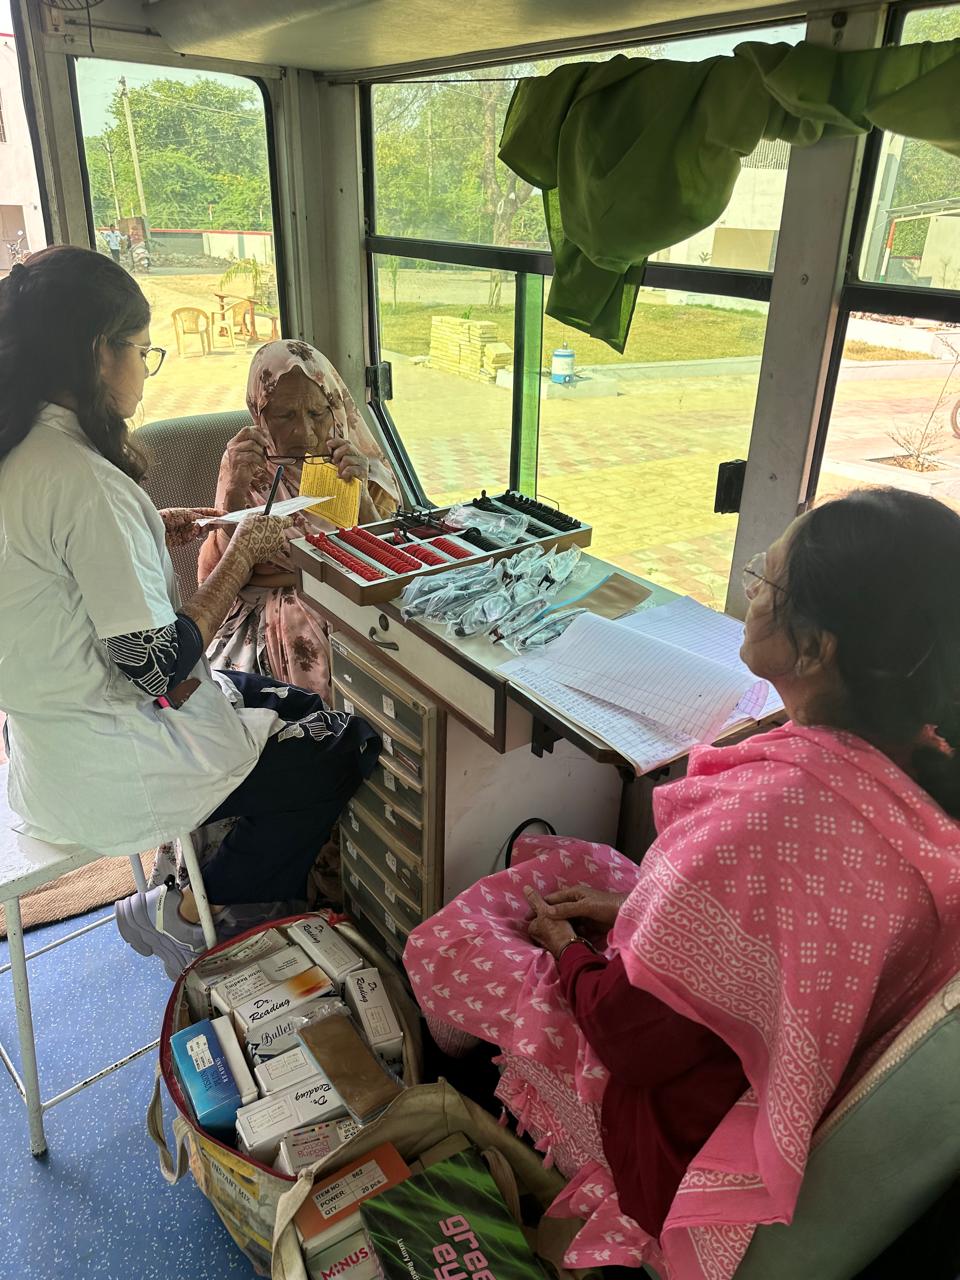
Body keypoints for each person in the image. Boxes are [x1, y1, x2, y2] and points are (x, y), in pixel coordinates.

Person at [403, 488, 960, 1280]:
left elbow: (629, 1036)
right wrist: (632, 910)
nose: (749, 594)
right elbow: (778, 933)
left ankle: (456, 1072)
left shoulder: (774, 822)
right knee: (583, 863)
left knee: (451, 940)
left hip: (676, 1128)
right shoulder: (920, 765)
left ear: (814, 650)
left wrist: (565, 948)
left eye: (764, 582)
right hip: (756, 1056)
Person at [0, 247, 381, 979]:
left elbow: (65, 579)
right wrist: (239, 554)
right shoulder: (85, 482)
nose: (145, 369)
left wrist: (152, 526)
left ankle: (201, 896)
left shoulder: (24, 454)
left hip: (48, 755)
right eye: (143, 350)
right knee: (341, 748)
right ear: (99, 352)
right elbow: (154, 668)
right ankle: (189, 915)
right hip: (114, 761)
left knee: (300, 706)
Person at [200, 340, 401, 700]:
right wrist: (234, 493)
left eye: (317, 413)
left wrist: (361, 496)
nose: (305, 433)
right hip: (272, 617)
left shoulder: (350, 460)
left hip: (351, 594)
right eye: (285, 416)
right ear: (260, 413)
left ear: (334, 407)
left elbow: (386, 559)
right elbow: (218, 578)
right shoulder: (244, 465)